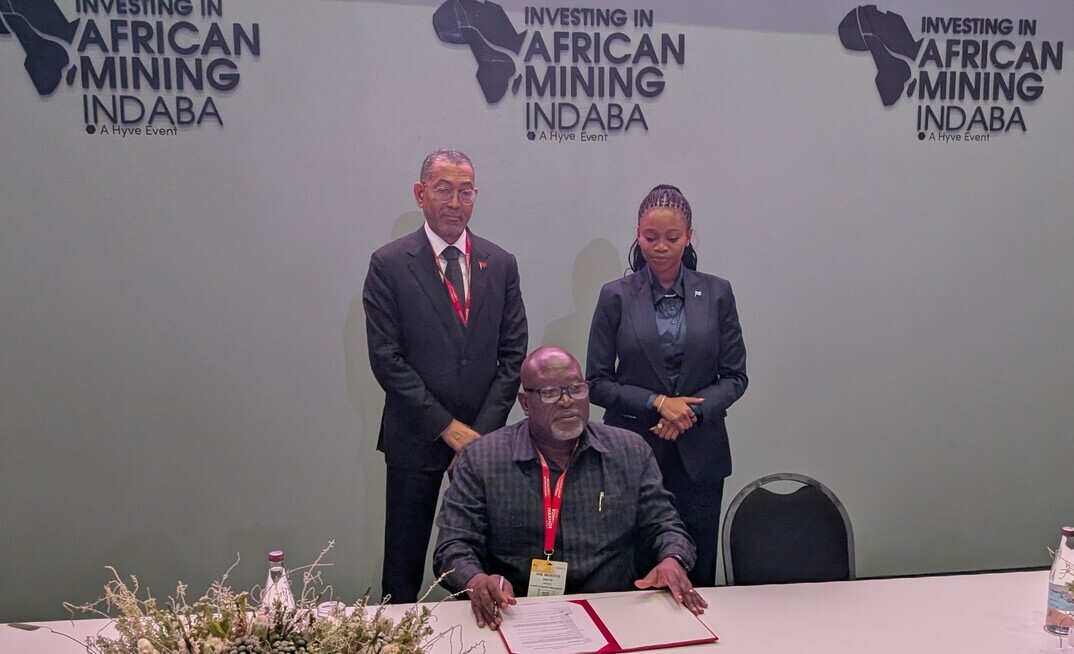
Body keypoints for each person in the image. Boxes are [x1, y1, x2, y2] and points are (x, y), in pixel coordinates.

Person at [433, 346, 707, 629]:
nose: (567, 401)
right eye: (550, 393)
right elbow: (453, 546)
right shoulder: (481, 458)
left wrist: (673, 560)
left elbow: (666, 526)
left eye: (576, 389)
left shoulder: (629, 451)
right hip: (515, 613)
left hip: (614, 611)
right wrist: (476, 580)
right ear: (525, 403)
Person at [363, 149, 528, 603]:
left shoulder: (501, 263)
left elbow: (513, 356)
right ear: (420, 194)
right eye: (443, 190)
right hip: (416, 437)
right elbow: (387, 359)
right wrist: (449, 429)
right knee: (403, 569)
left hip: (484, 441)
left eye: (466, 191)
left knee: (479, 567)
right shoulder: (390, 264)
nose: (455, 202)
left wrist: (479, 435)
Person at [585, 184, 747, 587]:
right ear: (637, 235)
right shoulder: (615, 297)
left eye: (672, 238)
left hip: (701, 457)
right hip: (633, 454)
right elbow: (598, 383)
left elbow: (735, 376)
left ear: (689, 236)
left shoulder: (716, 292)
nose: (660, 247)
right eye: (649, 237)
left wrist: (687, 411)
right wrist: (659, 403)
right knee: (632, 569)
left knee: (698, 570)